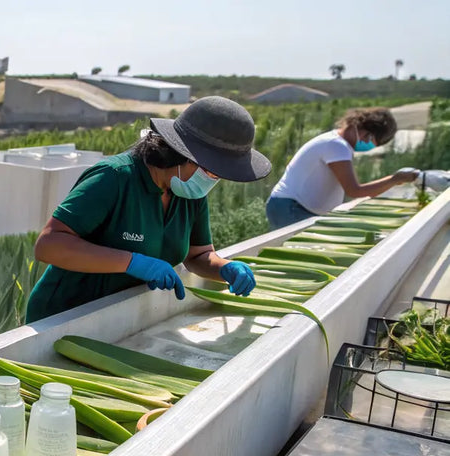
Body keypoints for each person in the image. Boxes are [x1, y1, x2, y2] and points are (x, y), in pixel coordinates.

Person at [25, 96, 271, 324]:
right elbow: (49, 245)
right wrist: (132, 262)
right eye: (211, 171)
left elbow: (198, 255)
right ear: (182, 154)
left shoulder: (190, 192)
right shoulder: (114, 178)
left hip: (122, 318)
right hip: (65, 317)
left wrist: (225, 268)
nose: (213, 180)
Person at [265, 108, 419, 229]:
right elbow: (354, 191)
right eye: (371, 139)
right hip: (291, 208)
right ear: (361, 129)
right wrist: (394, 180)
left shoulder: (337, 143)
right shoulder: (337, 146)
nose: (368, 144)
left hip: (293, 207)